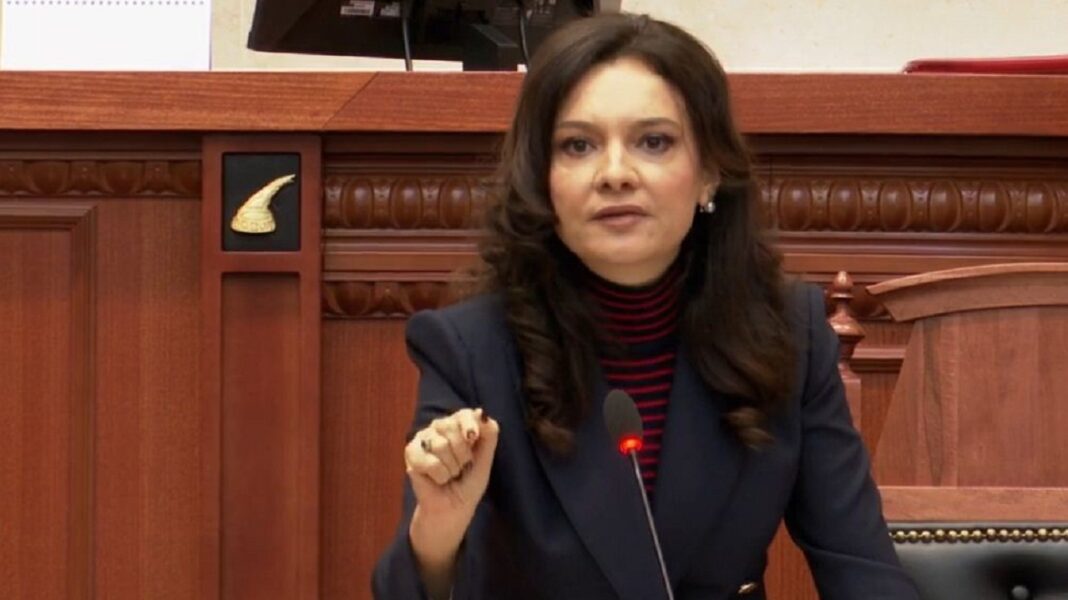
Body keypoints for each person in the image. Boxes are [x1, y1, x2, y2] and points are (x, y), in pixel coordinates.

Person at [373, 12, 918, 600]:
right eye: (578, 145)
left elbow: (864, 571)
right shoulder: (471, 347)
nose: (615, 174)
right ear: (544, 181)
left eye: (653, 142)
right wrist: (439, 531)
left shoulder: (790, 332)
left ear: (709, 173)